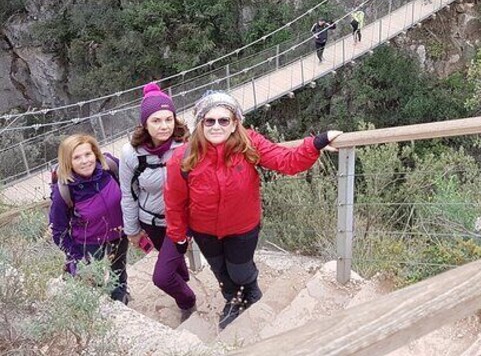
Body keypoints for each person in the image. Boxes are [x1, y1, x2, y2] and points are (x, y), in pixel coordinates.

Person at [164, 90, 342, 330]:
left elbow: (286, 162)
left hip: (242, 228)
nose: (216, 126)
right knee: (221, 272)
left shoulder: (249, 144)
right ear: (200, 124)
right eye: (210, 120)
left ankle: (250, 289)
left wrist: (316, 143)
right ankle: (233, 301)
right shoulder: (182, 157)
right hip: (204, 231)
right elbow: (175, 201)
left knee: (239, 271)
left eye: (224, 120)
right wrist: (177, 236)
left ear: (235, 123)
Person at [120, 82, 196, 321]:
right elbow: (128, 194)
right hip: (151, 221)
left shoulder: (187, 146)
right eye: (156, 120)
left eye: (168, 119)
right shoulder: (131, 154)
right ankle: (182, 284)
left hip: (180, 222)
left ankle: (188, 301)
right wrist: (132, 230)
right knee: (174, 266)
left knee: (161, 277)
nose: (164, 126)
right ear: (145, 124)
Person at [49, 134, 129, 303]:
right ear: (67, 161)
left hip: (119, 234)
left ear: (95, 153)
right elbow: (58, 231)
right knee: (93, 281)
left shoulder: (110, 168)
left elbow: (130, 189)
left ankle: (121, 302)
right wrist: (76, 255)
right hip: (88, 243)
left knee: (119, 272)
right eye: (76, 157)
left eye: (88, 154)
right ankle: (98, 310)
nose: (85, 161)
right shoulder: (63, 190)